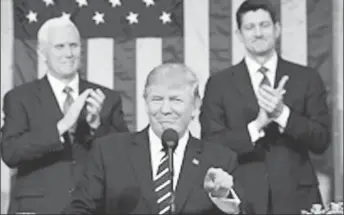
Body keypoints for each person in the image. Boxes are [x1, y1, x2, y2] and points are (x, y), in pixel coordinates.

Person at [62, 63, 254, 214]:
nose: (165, 110)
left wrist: (224, 198)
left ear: (195, 106)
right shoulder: (109, 152)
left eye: (175, 100)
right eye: (156, 99)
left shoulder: (220, 159)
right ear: (145, 103)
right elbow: (78, 209)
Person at [199, 0, 331, 215]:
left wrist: (282, 115)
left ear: (277, 29)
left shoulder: (306, 78)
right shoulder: (219, 84)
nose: (258, 33)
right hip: (242, 198)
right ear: (239, 34)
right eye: (249, 27)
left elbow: (321, 140)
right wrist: (257, 125)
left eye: (264, 25)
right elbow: (211, 145)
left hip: (297, 198)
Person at [0, 16, 129, 214]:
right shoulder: (19, 98)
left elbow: (123, 157)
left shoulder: (107, 98)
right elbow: (11, 152)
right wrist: (61, 127)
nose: (68, 53)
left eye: (74, 46)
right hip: (37, 208)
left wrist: (97, 126)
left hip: (92, 207)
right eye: (59, 47)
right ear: (42, 52)